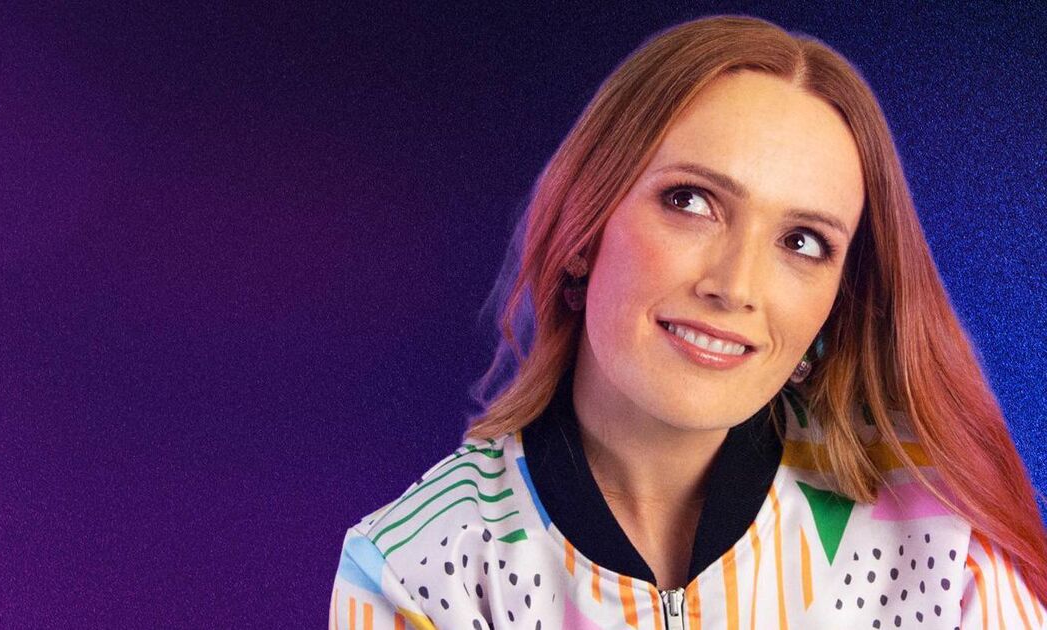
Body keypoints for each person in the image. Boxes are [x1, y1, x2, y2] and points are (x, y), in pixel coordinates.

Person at [329, 14, 1047, 629]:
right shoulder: (416, 570)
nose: (735, 287)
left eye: (802, 242)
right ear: (584, 231)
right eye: (691, 202)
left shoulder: (944, 543)